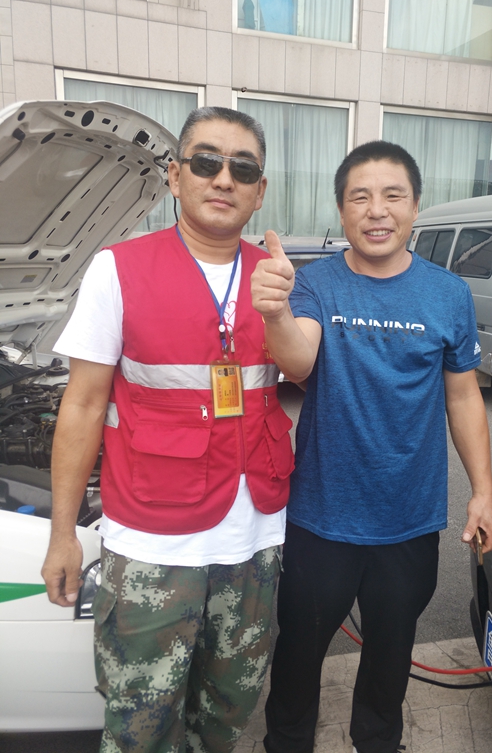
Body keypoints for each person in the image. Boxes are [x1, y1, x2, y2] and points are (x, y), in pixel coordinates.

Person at [41, 107, 294, 753]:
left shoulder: (276, 279)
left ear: (260, 190)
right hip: (153, 543)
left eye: (243, 169)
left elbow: (301, 371)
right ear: (176, 177)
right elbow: (82, 406)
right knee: (141, 726)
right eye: (206, 162)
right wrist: (63, 534)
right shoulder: (117, 269)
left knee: (227, 717)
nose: (224, 179)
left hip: (253, 542)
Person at [250, 140, 492, 753]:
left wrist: (483, 492)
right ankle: (286, 743)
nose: (377, 210)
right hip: (321, 517)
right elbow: (299, 361)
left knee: (391, 652)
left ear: (415, 206)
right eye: (360, 197)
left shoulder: (447, 294)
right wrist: (276, 313)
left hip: (409, 518)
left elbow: (463, 397)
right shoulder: (315, 285)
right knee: (299, 647)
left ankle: (379, 742)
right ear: (341, 210)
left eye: (393, 196)